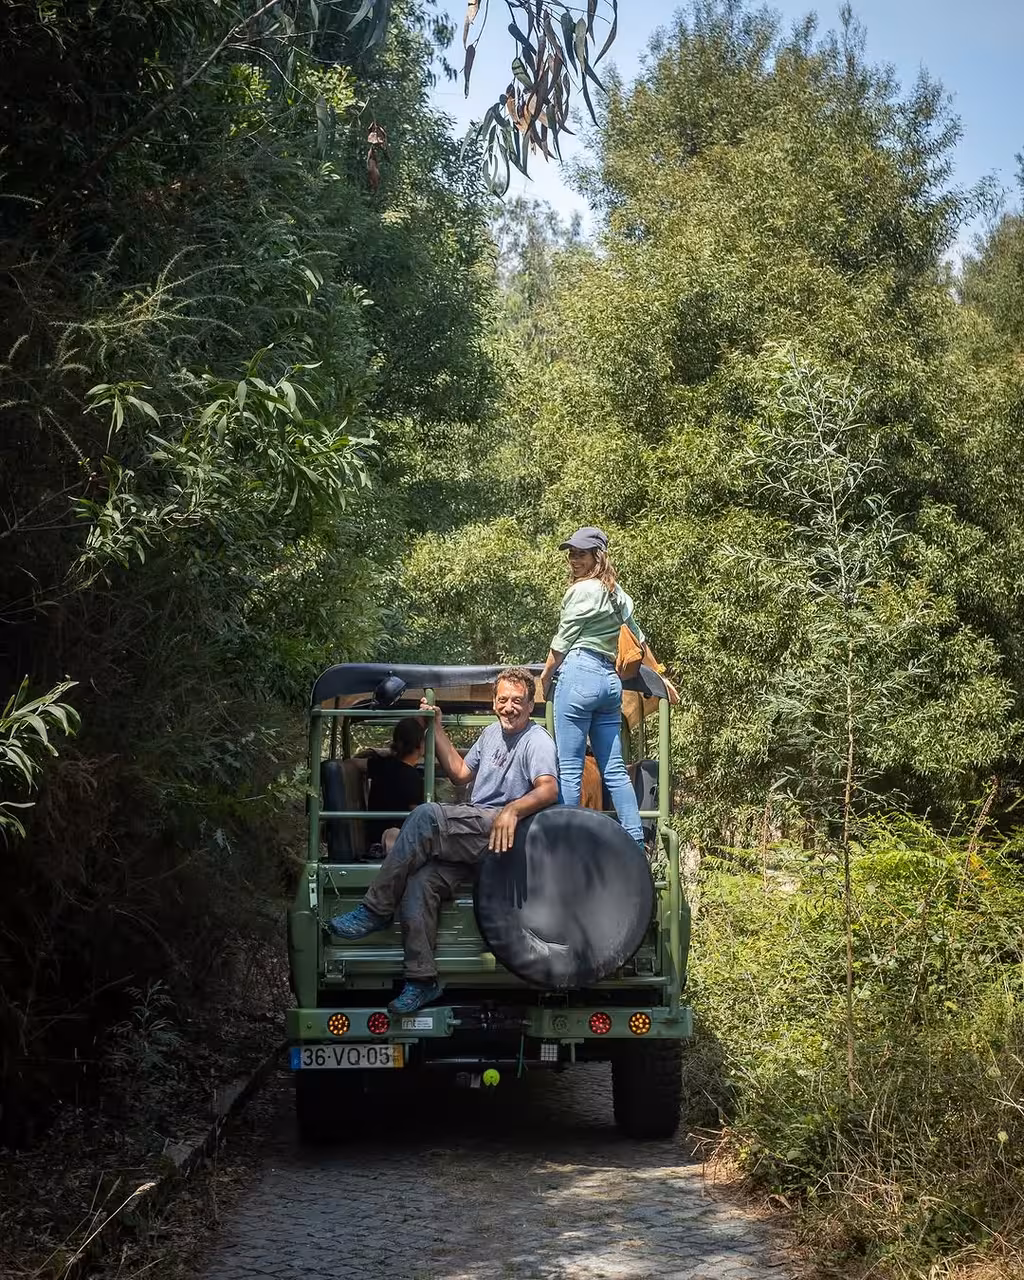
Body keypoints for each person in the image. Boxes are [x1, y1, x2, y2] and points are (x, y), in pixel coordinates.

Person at [327, 667, 557, 1015]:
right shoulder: (492, 734)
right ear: (495, 703)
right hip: (478, 834)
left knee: (424, 817)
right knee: (420, 883)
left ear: (529, 705)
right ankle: (421, 979)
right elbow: (461, 773)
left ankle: (375, 909)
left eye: (518, 701)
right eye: (504, 700)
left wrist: (512, 811)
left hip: (507, 832)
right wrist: (435, 726)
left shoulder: (536, 741)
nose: (509, 707)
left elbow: (549, 789)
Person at [539, 526, 645, 847]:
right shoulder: (619, 594)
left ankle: (568, 846)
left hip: (579, 675)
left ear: (598, 557)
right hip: (610, 684)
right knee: (614, 771)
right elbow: (638, 639)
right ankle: (636, 843)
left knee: (569, 769)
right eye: (571, 554)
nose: (574, 560)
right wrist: (662, 676)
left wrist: (545, 679)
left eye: (581, 554)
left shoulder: (581, 591)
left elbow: (562, 643)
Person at [364, 717, 425, 852]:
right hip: (394, 835)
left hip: (373, 833)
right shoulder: (412, 777)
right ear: (419, 744)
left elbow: (355, 763)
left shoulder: (379, 765)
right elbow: (417, 814)